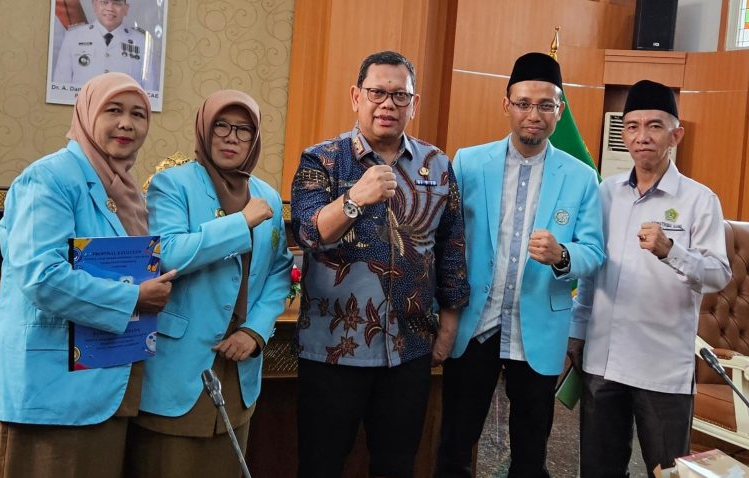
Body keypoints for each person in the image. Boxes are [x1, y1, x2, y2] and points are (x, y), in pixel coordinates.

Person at [0, 72, 175, 478]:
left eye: (138, 114)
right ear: (86, 114)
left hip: (105, 388)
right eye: (113, 110)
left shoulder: (125, 189)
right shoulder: (49, 178)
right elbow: (41, 276)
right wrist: (133, 298)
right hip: (48, 395)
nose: (126, 124)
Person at [290, 50, 470, 478]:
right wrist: (355, 198)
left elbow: (451, 248)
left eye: (399, 95)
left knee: (397, 466)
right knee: (320, 466)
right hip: (332, 351)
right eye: (377, 93)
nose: (388, 104)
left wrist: (448, 327)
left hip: (408, 351)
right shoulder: (322, 159)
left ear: (414, 103)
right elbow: (308, 233)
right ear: (356, 96)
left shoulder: (437, 165)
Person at [436, 52, 605, 478]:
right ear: (506, 104)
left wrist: (562, 255)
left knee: (530, 454)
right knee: (454, 444)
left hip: (538, 330)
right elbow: (446, 239)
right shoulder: (469, 163)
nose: (534, 115)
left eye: (546, 105)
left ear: (559, 110)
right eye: (524, 103)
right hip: (477, 323)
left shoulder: (582, 176)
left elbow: (594, 252)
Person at [127, 90, 292, 478]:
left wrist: (255, 331)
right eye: (221, 126)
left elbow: (279, 270)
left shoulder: (267, 196)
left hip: (238, 368)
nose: (231, 137)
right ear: (204, 129)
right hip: (180, 366)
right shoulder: (172, 185)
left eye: (243, 130)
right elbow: (167, 254)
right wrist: (241, 223)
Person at [572, 79, 732, 477]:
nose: (642, 136)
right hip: (603, 361)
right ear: (623, 134)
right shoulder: (605, 193)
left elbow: (719, 274)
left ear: (676, 135)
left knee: (668, 472)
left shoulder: (699, 200)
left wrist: (671, 251)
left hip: (661, 368)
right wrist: (576, 332)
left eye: (655, 126)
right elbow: (591, 270)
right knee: (598, 470)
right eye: (632, 126)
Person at [53, 0, 154, 90]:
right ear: (94, 5)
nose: (110, 8)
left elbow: (150, 92)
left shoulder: (142, 42)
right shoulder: (73, 37)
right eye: (104, 2)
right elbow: (59, 87)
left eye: (117, 3)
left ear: (126, 9)